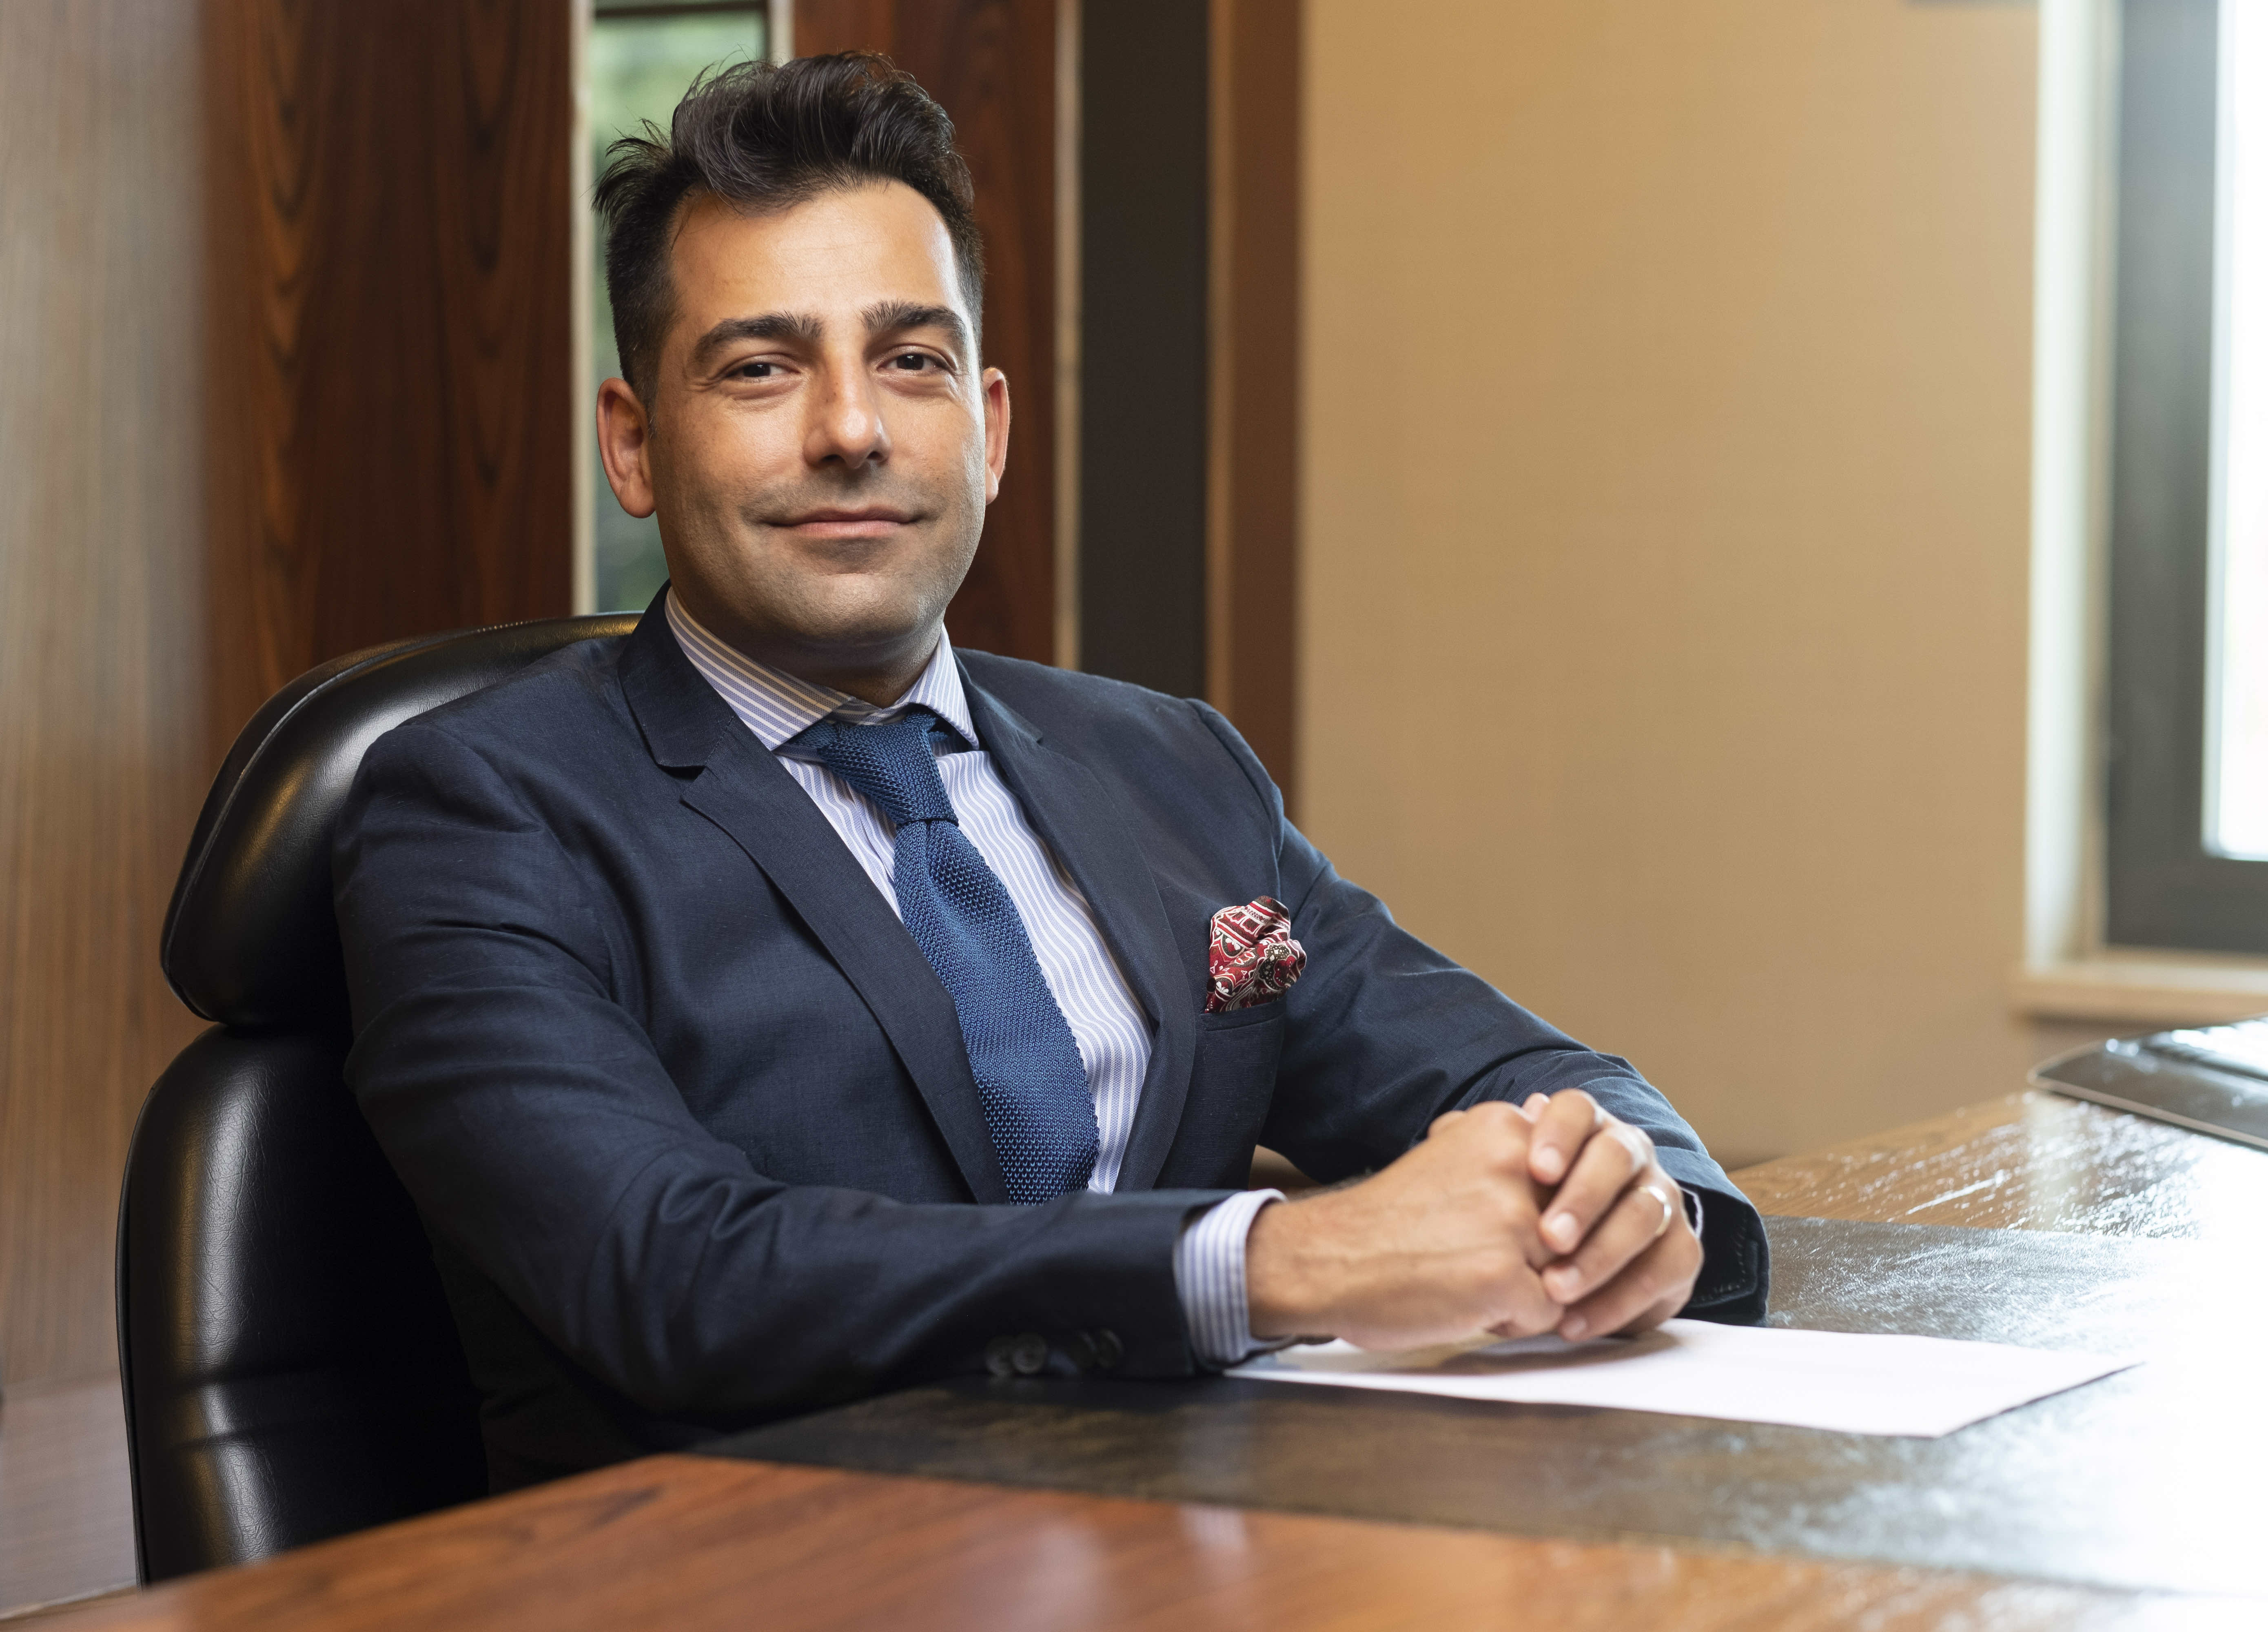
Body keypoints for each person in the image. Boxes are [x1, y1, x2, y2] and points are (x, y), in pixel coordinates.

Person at [334, 52, 1767, 1491]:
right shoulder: (476, 808)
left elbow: (1522, 1073)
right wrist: (1279, 1259)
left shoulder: (1169, 764)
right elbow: (673, 1273)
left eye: (914, 360)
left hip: (1192, 1549)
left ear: (992, 428)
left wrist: (1631, 1201)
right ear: (634, 446)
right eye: (762, 368)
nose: (852, 428)